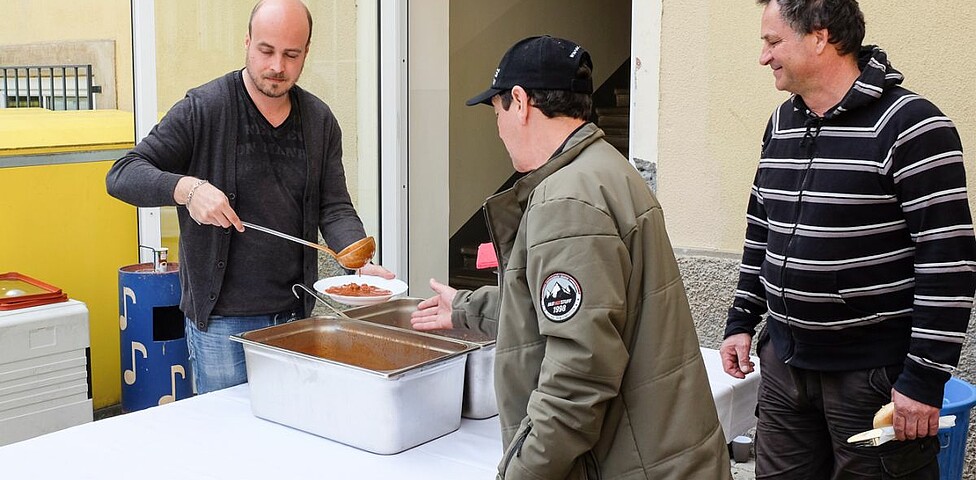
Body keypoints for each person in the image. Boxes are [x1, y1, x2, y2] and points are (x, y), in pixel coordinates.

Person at [410, 35, 731, 479]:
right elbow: (578, 308)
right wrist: (466, 308)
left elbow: (578, 376)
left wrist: (519, 472)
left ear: (519, 102)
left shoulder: (567, 201)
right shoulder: (605, 167)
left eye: (497, 110)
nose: (499, 125)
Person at [720, 1, 976, 478]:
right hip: (784, 367)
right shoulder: (781, 122)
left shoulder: (914, 125)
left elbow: (949, 261)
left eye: (773, 42)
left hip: (872, 380)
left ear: (820, 37)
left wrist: (923, 379)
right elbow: (762, 230)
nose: (763, 56)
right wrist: (741, 319)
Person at [106, 0, 392, 394]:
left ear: (307, 52)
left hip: (295, 314)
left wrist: (357, 262)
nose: (278, 66)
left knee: (291, 431)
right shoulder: (204, 109)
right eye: (266, 50)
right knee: (229, 443)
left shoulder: (319, 120)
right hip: (222, 322)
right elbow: (122, 173)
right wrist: (188, 190)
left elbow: (335, 206)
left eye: (292, 55)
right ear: (247, 42)